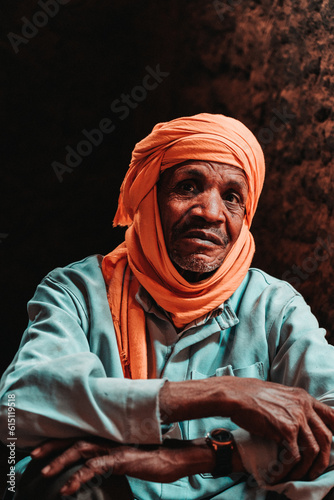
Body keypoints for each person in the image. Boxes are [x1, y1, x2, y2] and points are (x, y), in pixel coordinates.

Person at [1, 113, 334, 500]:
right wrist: (223, 393)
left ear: (247, 214)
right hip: (116, 490)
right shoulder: (78, 292)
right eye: (188, 187)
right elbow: (18, 408)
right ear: (149, 197)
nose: (210, 212)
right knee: (57, 477)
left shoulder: (274, 306)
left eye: (232, 197)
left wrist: (204, 457)